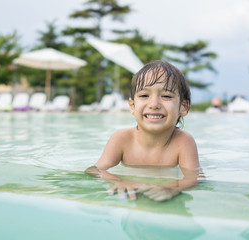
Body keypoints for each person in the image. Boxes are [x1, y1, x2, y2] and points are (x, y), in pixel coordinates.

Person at [85, 60, 200, 201]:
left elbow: (194, 177)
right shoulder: (121, 139)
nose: (154, 104)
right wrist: (120, 181)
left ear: (183, 107)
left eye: (166, 96)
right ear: (132, 106)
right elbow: (94, 170)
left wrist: (172, 188)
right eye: (144, 95)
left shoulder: (183, 142)